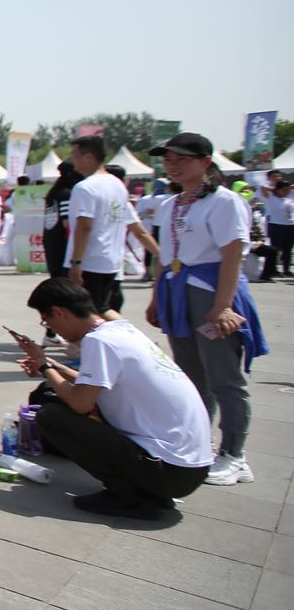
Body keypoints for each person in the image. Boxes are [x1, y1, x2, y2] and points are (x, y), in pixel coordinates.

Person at [14, 278, 211, 520]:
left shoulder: (99, 341)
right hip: (189, 465)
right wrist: (54, 366)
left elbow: (80, 402)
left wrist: (44, 366)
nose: (53, 328)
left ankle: (130, 496)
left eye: (47, 321)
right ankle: (145, 490)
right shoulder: (119, 330)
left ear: (59, 312)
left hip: (170, 470)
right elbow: (99, 382)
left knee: (51, 416)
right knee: (53, 394)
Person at [145, 133, 268, 487]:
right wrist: (157, 299)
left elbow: (232, 254)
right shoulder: (170, 204)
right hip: (177, 292)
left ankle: (234, 454)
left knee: (224, 378)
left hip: (210, 295)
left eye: (182, 158)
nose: (172, 164)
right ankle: (199, 442)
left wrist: (223, 305)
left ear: (205, 162)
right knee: (191, 376)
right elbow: (163, 258)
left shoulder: (225, 202)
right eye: (168, 158)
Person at [64, 135, 160, 315]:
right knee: (101, 310)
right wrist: (161, 254)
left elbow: (84, 226)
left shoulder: (85, 188)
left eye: (74, 155)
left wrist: (76, 262)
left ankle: (131, 339)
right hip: (112, 263)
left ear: (88, 157)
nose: (72, 160)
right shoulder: (118, 186)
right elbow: (138, 229)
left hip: (90, 262)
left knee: (90, 314)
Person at [261, 181, 293, 278]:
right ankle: (274, 269)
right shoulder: (271, 197)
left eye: (288, 190)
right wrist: (274, 189)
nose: (286, 192)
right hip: (276, 225)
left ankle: (286, 270)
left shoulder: (290, 196)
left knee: (288, 249)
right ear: (277, 189)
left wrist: (289, 187)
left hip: (290, 225)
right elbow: (263, 187)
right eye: (284, 190)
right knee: (276, 249)